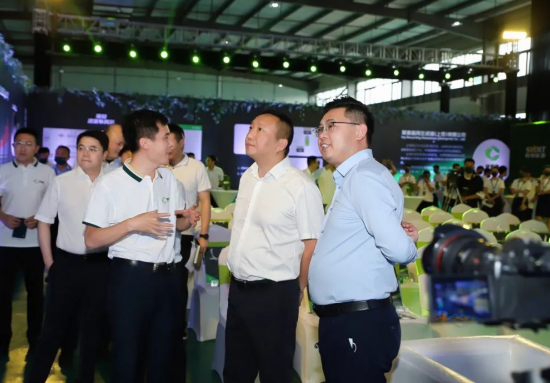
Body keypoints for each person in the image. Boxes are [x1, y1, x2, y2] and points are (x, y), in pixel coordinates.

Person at [83, 110, 199, 382]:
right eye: (165, 137)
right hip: (131, 280)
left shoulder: (170, 180)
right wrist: (132, 224)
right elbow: (91, 239)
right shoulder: (110, 184)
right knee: (129, 358)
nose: (171, 143)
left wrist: (187, 220)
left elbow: (174, 226)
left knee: (165, 358)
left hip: (169, 279)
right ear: (145, 143)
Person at [308, 96, 418, 382]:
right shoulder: (354, 177)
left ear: (360, 131)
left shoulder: (363, 178)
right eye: (320, 128)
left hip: (358, 322)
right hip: (348, 320)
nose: (322, 135)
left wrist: (408, 245)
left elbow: (398, 250)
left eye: (331, 126)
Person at [224, 110, 324, 383]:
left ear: (281, 143)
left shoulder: (300, 186)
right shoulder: (248, 177)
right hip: (238, 290)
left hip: (275, 295)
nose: (250, 134)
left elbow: (312, 244)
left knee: (274, 372)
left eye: (260, 129)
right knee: (235, 371)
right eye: (251, 127)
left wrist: (298, 288)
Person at [28, 131, 110, 383]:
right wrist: (50, 263)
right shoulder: (62, 182)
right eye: (81, 147)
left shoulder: (114, 183)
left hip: (101, 266)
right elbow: (44, 221)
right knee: (52, 330)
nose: (85, 153)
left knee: (92, 333)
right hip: (66, 264)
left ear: (105, 154)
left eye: (93, 149)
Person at [0, 127, 56, 360]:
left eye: (28, 144)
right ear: (13, 146)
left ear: (36, 148)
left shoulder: (47, 172)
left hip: (36, 244)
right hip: (5, 243)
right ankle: (2, 341)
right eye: (18, 143)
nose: (22, 148)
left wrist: (39, 218)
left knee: (35, 295)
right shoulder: (1, 171)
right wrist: (4, 217)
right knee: (2, 295)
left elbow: (52, 203)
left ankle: (34, 340)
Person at [167, 123, 212, 382]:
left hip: (184, 235)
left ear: (181, 141)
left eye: (171, 140)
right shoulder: (157, 165)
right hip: (159, 234)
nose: (167, 146)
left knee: (178, 283)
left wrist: (204, 233)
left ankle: (176, 328)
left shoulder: (196, 167)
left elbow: (205, 201)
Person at [535, 165, 550, 232]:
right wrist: (539, 183)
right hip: (541, 198)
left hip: (549, 197)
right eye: (546, 170)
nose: (548, 171)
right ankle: (539, 231)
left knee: (549, 216)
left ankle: (547, 233)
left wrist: (544, 192)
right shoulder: (539, 179)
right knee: (538, 215)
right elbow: (537, 190)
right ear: (543, 171)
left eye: (549, 170)